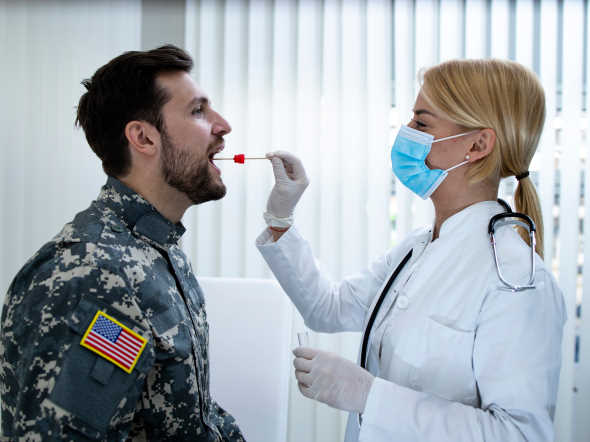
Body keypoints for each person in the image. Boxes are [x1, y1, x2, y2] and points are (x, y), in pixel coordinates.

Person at [257, 59, 566, 441]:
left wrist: (370, 397)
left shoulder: (518, 278)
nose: (405, 133)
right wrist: (281, 218)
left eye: (421, 123)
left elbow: (520, 434)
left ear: (477, 144)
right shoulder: (417, 248)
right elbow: (328, 308)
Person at [0, 45, 245, 441]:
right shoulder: (90, 272)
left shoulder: (155, 251)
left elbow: (190, 413)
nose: (223, 125)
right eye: (198, 111)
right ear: (144, 138)